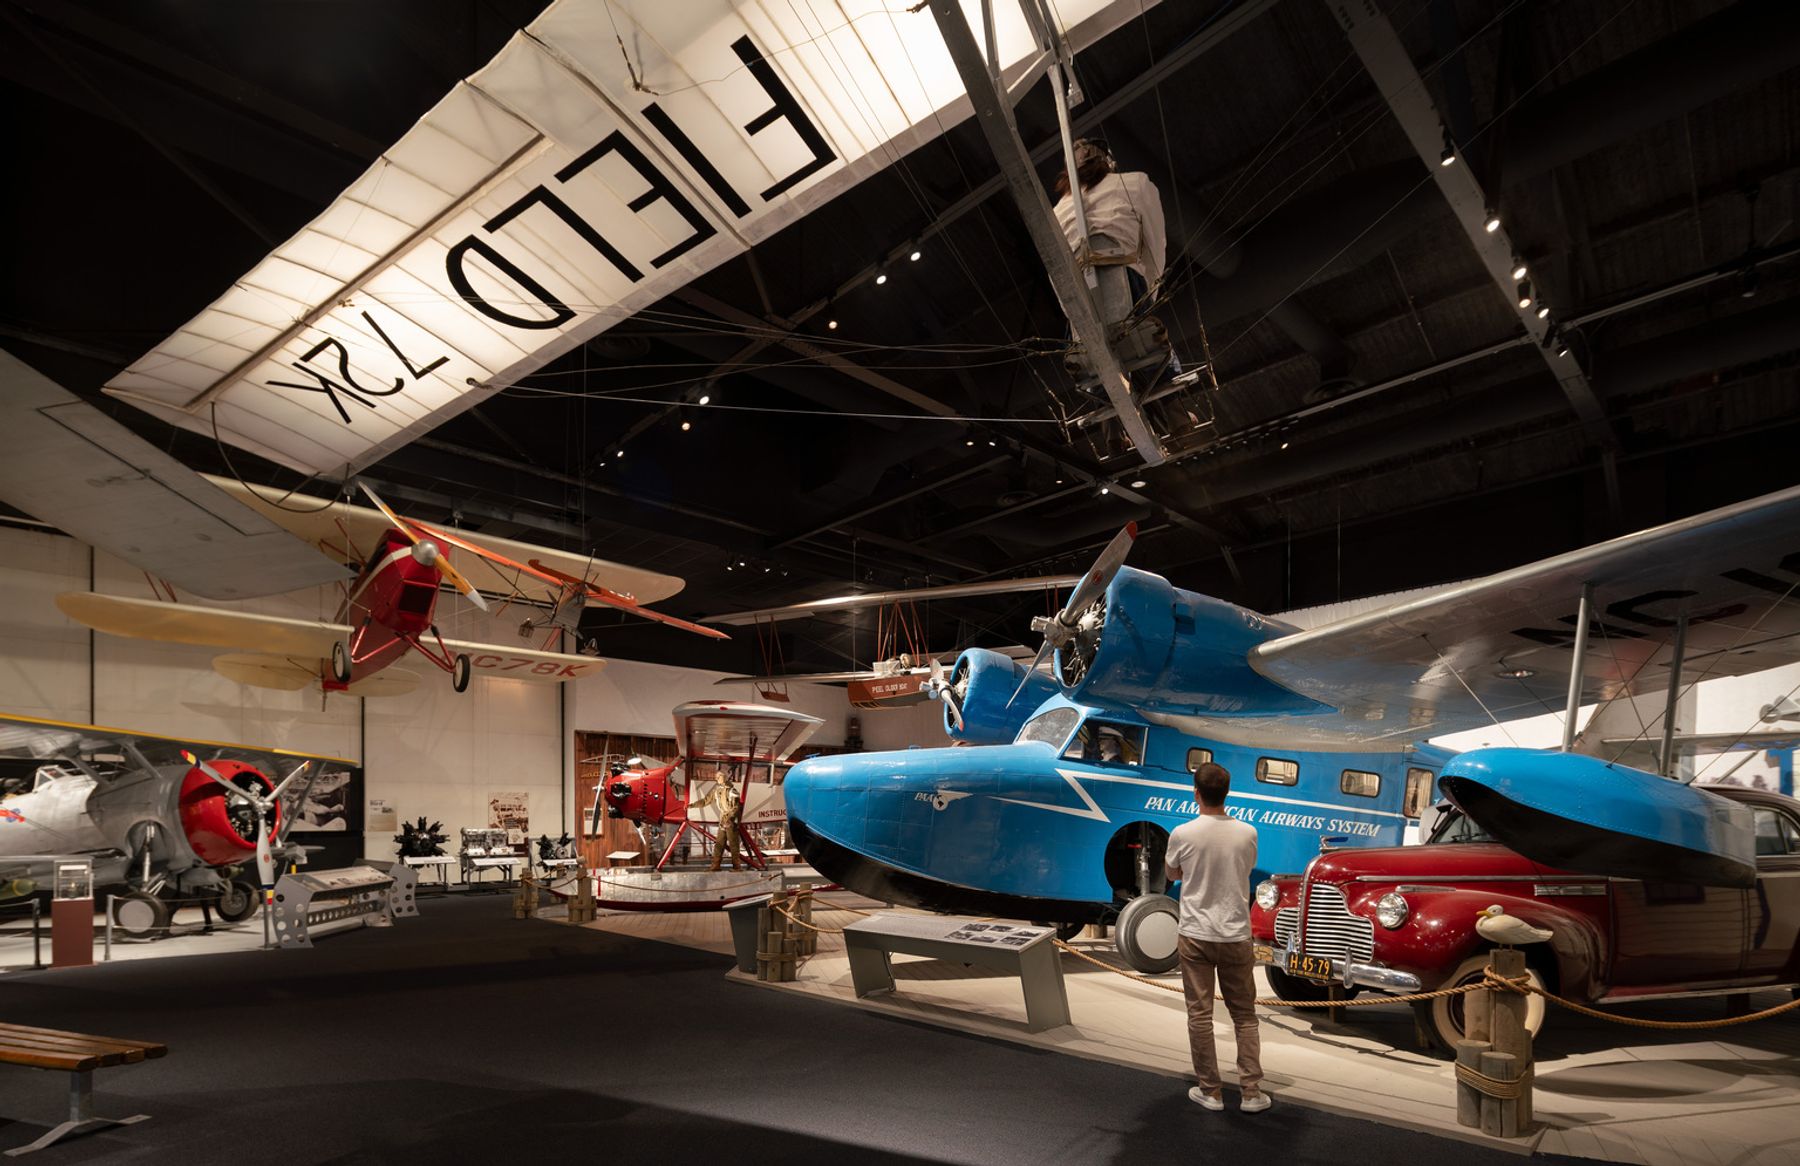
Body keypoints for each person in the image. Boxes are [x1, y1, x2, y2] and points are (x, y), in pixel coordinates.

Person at [1163, 761, 1267, 1113]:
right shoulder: (1248, 833)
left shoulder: (1182, 833)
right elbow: (1247, 869)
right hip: (1236, 934)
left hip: (1195, 934)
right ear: (1227, 794)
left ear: (1196, 793)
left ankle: (1211, 1091)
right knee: (1245, 1015)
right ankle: (1251, 1092)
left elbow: (1172, 872)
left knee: (1200, 1015)